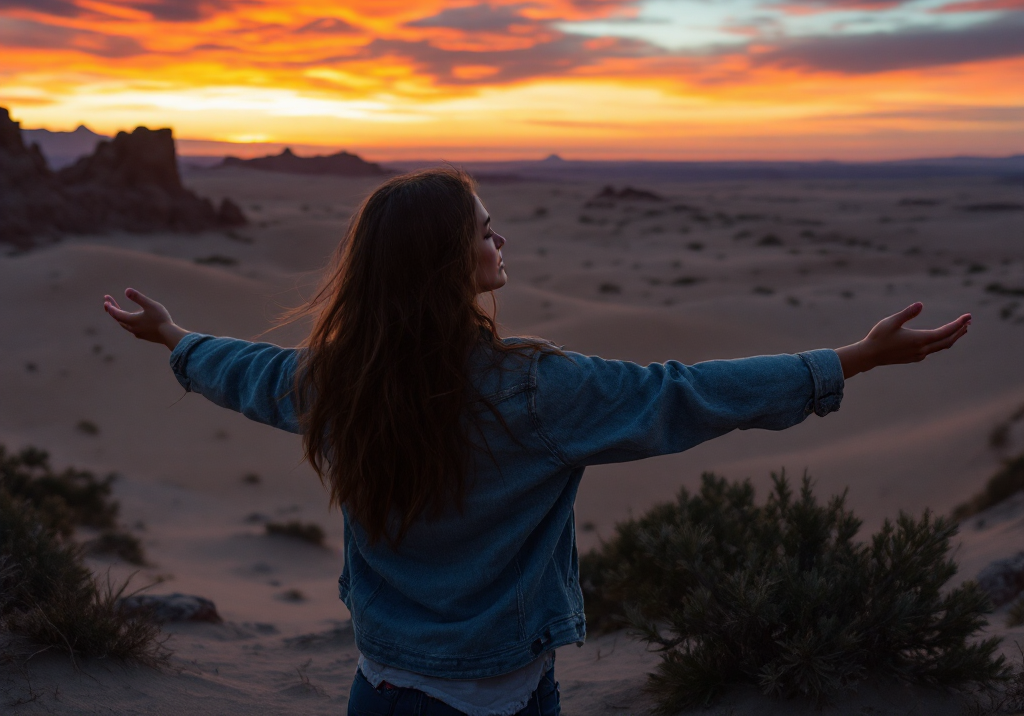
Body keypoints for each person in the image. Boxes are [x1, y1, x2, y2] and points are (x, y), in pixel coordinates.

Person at [103, 169, 970, 716]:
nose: (499, 239)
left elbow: (250, 374)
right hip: (501, 689)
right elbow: (687, 395)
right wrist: (854, 359)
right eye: (483, 228)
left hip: (385, 680)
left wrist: (176, 341)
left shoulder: (339, 377)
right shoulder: (539, 390)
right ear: (448, 259)